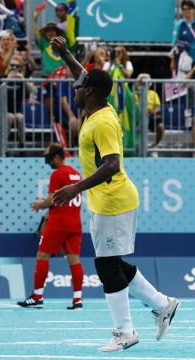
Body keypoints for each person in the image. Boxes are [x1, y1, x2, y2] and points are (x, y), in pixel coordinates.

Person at [50, 36, 179, 352]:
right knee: (113, 262)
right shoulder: (96, 108)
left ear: (89, 92)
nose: (75, 88)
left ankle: (125, 332)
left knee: (107, 265)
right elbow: (85, 76)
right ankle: (163, 304)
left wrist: (74, 188)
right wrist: (67, 54)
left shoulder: (104, 122)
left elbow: (112, 164)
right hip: (105, 201)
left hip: (114, 201)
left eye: (80, 87)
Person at [18, 143, 83, 310]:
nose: (48, 163)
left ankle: (37, 296)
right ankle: (78, 300)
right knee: (74, 259)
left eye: (49, 159)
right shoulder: (76, 174)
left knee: (42, 256)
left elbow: (52, 199)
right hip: (75, 223)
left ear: (56, 157)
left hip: (58, 222)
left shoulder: (57, 174)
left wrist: (40, 205)